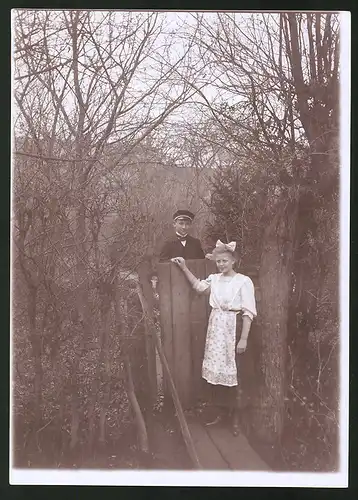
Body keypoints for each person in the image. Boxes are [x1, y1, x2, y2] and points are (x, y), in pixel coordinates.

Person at [171, 240, 257, 436]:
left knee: (235, 373)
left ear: (233, 260)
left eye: (225, 261)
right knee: (217, 372)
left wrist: (243, 339)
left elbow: (248, 313)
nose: (221, 265)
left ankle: (236, 417)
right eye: (218, 261)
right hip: (217, 327)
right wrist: (184, 267)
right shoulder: (215, 279)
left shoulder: (243, 281)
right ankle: (221, 412)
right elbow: (199, 287)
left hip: (233, 328)